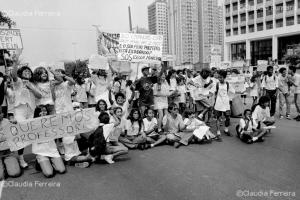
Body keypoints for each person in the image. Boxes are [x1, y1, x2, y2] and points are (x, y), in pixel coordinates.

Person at [11, 62, 42, 168]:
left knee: (33, 134)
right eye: (25, 71)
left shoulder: (32, 84)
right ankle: (21, 158)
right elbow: (13, 75)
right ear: (21, 73)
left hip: (31, 111)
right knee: (22, 134)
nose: (28, 72)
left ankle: (38, 155)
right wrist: (15, 62)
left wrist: (31, 87)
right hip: (20, 111)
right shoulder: (18, 81)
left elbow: (39, 96)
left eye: (29, 71)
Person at [33, 105, 66, 178]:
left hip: (52, 150)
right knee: (49, 174)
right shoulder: (32, 124)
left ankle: (50, 162)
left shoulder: (52, 121)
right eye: (41, 111)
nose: (43, 112)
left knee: (62, 170)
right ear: (37, 113)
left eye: (45, 111)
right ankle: (40, 162)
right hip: (41, 152)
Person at [211, 70, 235, 138]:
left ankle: (226, 129)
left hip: (226, 104)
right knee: (218, 118)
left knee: (227, 117)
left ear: (224, 77)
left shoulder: (228, 84)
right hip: (218, 104)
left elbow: (233, 92)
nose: (219, 79)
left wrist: (230, 99)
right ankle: (218, 131)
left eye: (221, 77)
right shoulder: (217, 84)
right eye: (219, 77)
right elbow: (211, 92)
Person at [0, 107, 22, 180]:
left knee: (15, 173)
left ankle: (9, 164)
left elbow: (16, 133)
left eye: (0, 113)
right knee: (1, 177)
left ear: (2, 114)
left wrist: (16, 124)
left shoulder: (8, 121)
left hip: (8, 152)